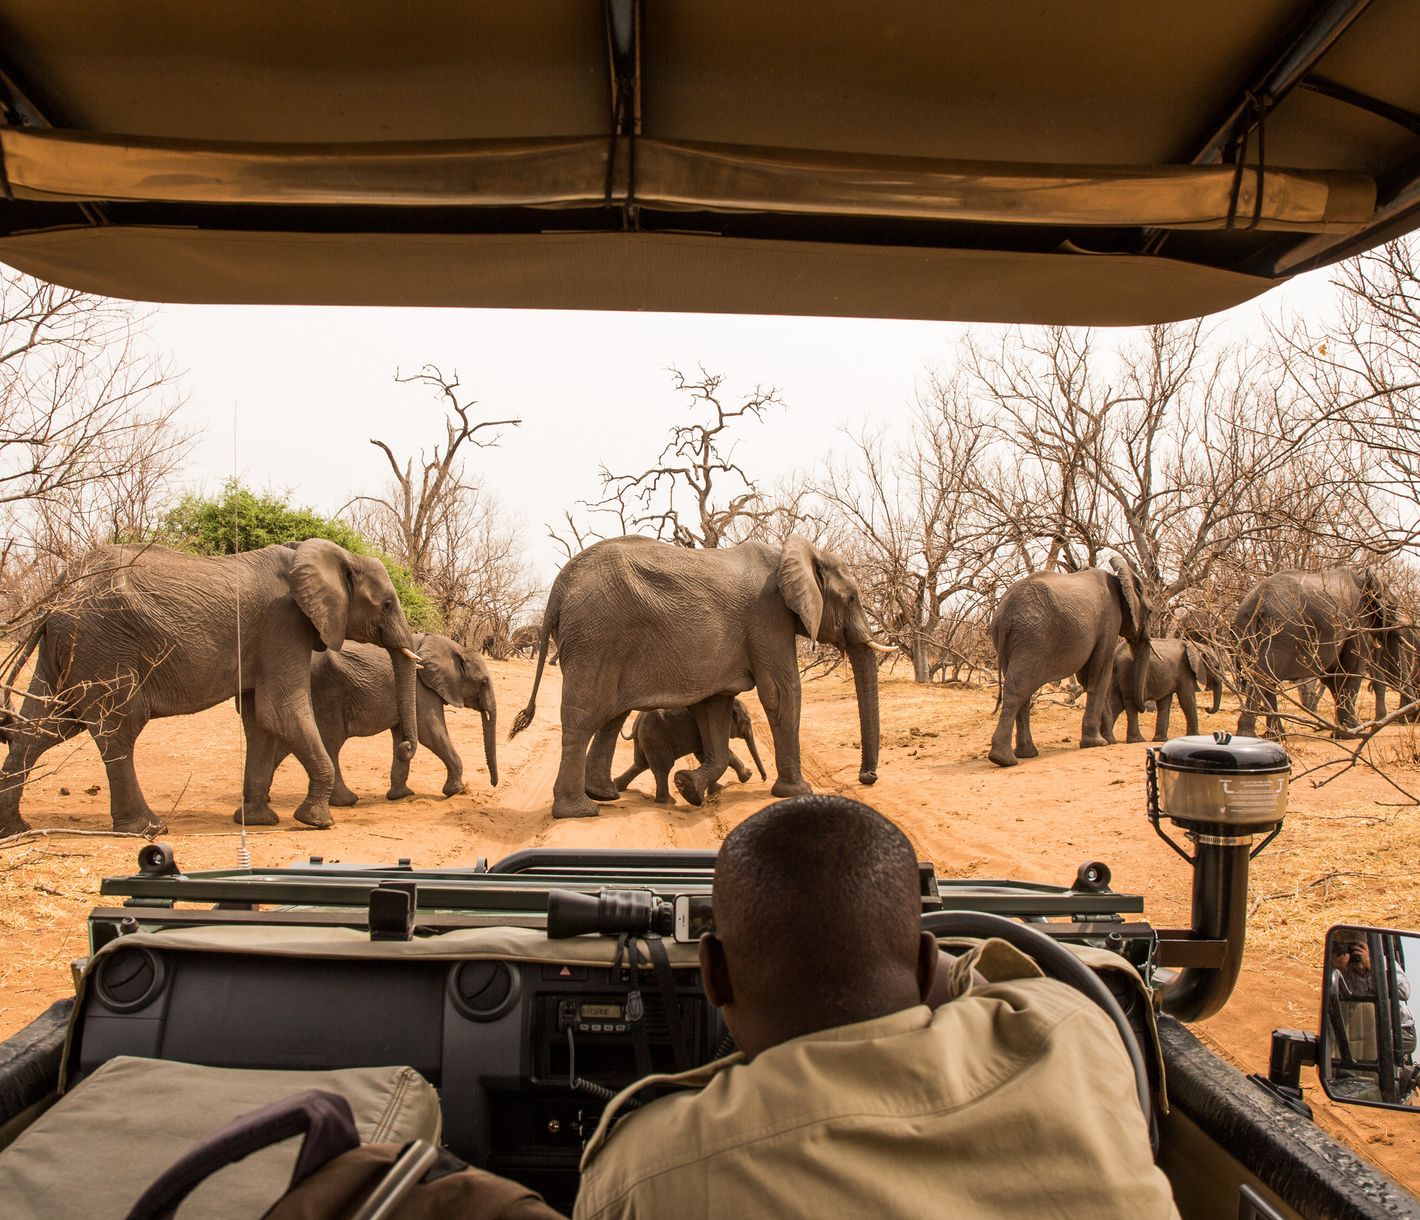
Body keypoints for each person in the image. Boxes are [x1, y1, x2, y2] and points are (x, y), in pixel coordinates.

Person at [574, 795, 1178, 1219]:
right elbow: (988, 978)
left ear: (713, 974)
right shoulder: (1070, 1032)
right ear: (924, 964)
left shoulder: (643, 1175)